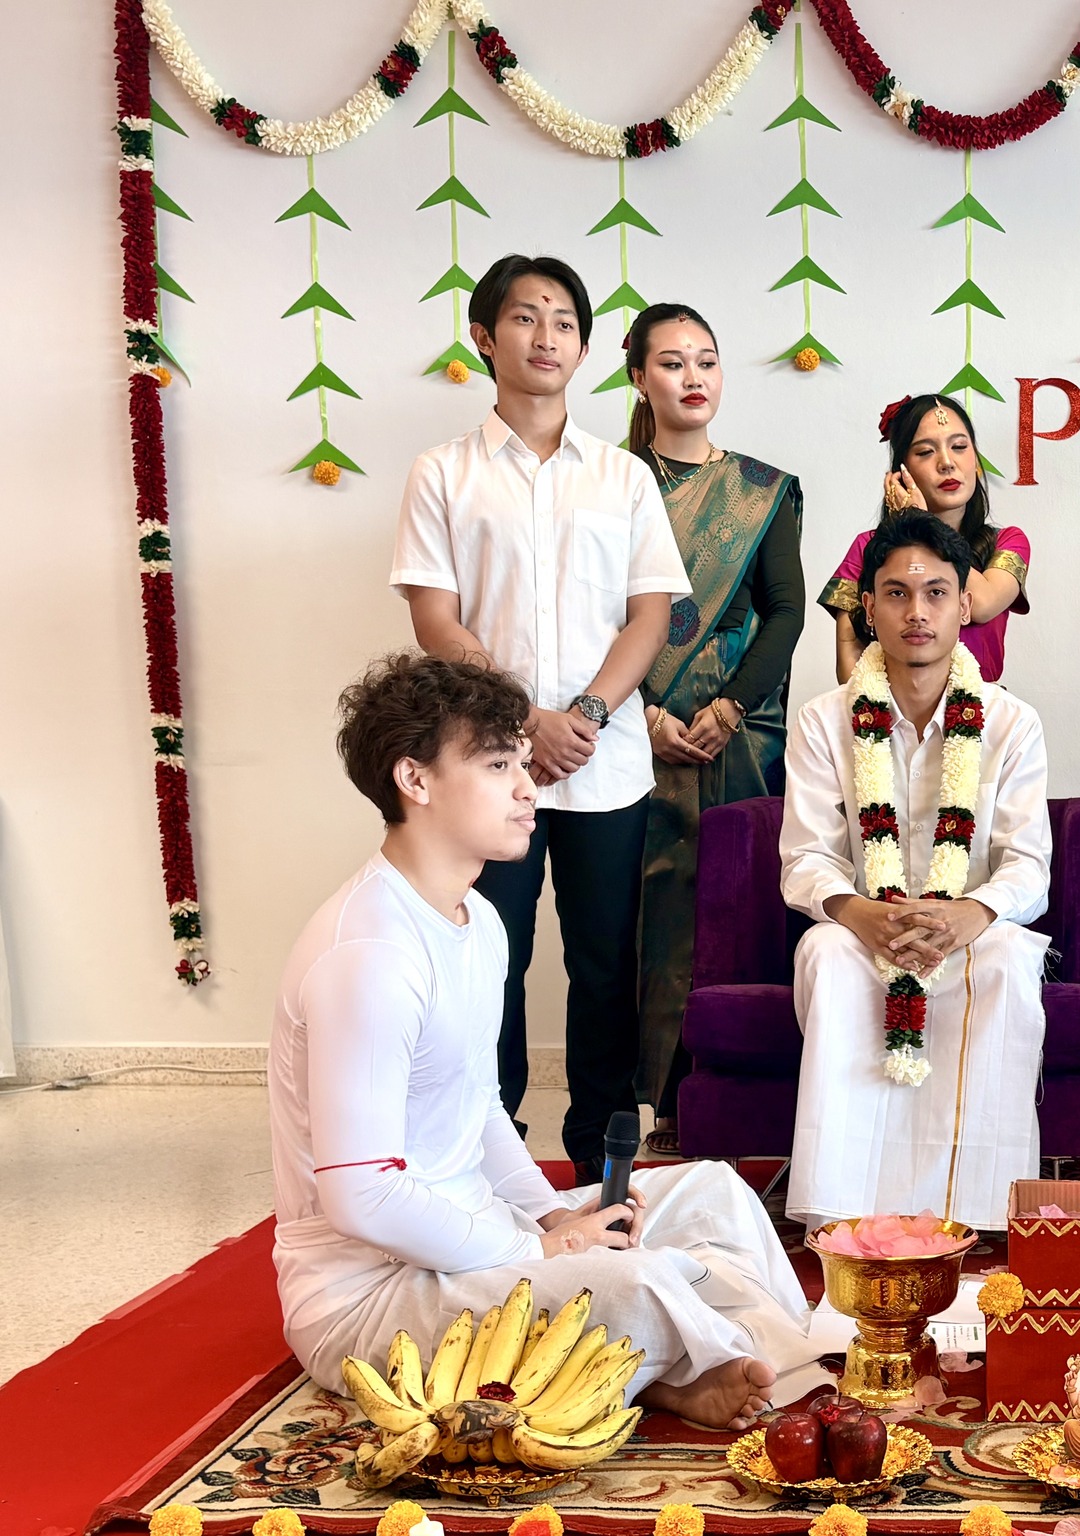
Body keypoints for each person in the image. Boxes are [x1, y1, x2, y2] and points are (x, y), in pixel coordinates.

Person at [270, 653, 824, 1430]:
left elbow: (479, 1104)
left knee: (714, 1193)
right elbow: (362, 1196)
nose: (530, 788)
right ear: (414, 779)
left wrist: (548, 1219)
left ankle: (670, 1361)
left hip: (483, 1240)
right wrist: (538, 1253)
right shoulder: (369, 954)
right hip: (373, 1294)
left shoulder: (478, 921)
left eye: (522, 763)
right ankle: (698, 1359)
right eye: (499, 766)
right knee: (636, 1279)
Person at [392, 254, 690, 1183]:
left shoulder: (623, 478)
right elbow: (437, 620)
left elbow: (649, 616)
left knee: (605, 967)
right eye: (526, 317)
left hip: (605, 762)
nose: (546, 336)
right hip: (487, 767)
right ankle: (490, 1152)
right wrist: (526, 720)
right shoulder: (443, 473)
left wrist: (587, 714)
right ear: (486, 338)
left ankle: (604, 1158)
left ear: (585, 349)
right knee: (493, 956)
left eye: (564, 321)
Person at [781, 513, 1052, 1231]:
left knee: (1007, 959)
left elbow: (1029, 864)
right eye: (897, 594)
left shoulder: (1011, 723)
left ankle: (977, 1211)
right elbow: (806, 856)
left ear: (965, 605)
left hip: (968, 929)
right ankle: (839, 1210)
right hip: (864, 926)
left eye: (936, 592)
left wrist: (970, 914)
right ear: (868, 608)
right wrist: (858, 913)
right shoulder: (823, 721)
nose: (917, 612)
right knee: (826, 952)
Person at [625, 303, 806, 1155]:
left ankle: (737, 1097)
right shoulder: (613, 482)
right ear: (639, 379)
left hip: (743, 732)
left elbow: (786, 610)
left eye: (706, 360)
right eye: (672, 363)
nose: (692, 377)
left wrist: (730, 705)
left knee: (737, 901)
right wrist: (643, 713)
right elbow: (594, 612)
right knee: (647, 912)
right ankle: (657, 1102)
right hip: (635, 728)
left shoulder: (762, 490)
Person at [818, 393, 1029, 683]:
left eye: (959, 447)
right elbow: (849, 655)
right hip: (884, 707)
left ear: (975, 460)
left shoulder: (1007, 542)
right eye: (926, 452)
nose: (947, 463)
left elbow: (981, 605)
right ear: (901, 471)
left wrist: (922, 522)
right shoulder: (867, 547)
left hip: (980, 706)